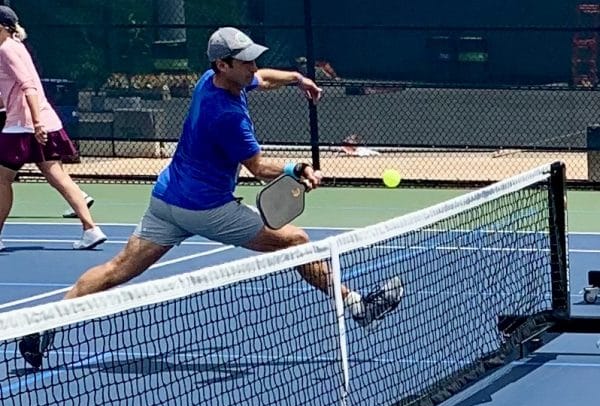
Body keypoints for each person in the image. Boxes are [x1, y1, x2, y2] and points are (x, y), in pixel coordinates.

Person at [18, 27, 403, 368]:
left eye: (254, 60)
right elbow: (257, 167)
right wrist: (296, 169)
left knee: (116, 269)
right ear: (223, 64)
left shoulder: (212, 79)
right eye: (245, 62)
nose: (253, 67)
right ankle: (357, 306)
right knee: (298, 242)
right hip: (206, 209)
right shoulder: (227, 115)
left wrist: (297, 78)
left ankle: (43, 326)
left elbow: (263, 80)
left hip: (167, 199)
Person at [0, 6, 106, 251]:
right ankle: (91, 229)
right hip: (38, 122)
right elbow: (13, 90)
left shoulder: (6, 49)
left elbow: (29, 87)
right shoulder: (16, 48)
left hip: (24, 126)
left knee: (2, 180)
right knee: (57, 176)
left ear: (3, 26)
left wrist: (36, 123)